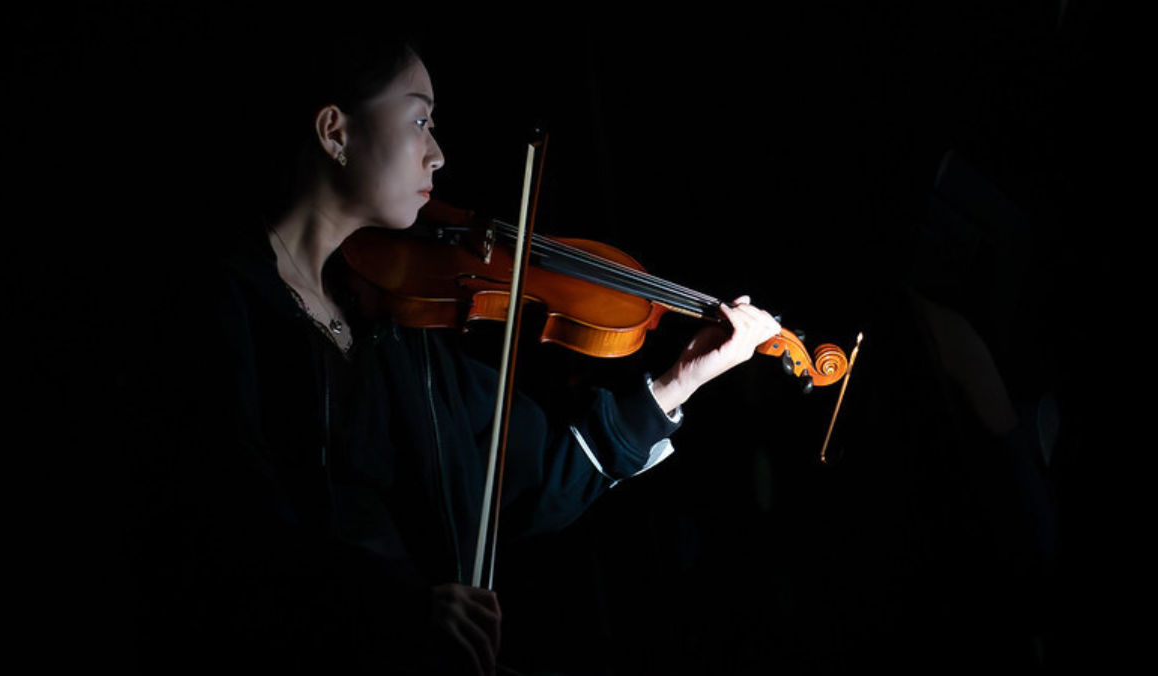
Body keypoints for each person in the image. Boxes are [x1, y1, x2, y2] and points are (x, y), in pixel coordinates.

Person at [126, 26, 780, 676]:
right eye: (420, 121)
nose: (437, 154)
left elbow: (535, 478)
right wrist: (393, 610)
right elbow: (230, 536)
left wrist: (683, 378)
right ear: (334, 131)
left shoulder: (393, 327)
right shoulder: (222, 302)